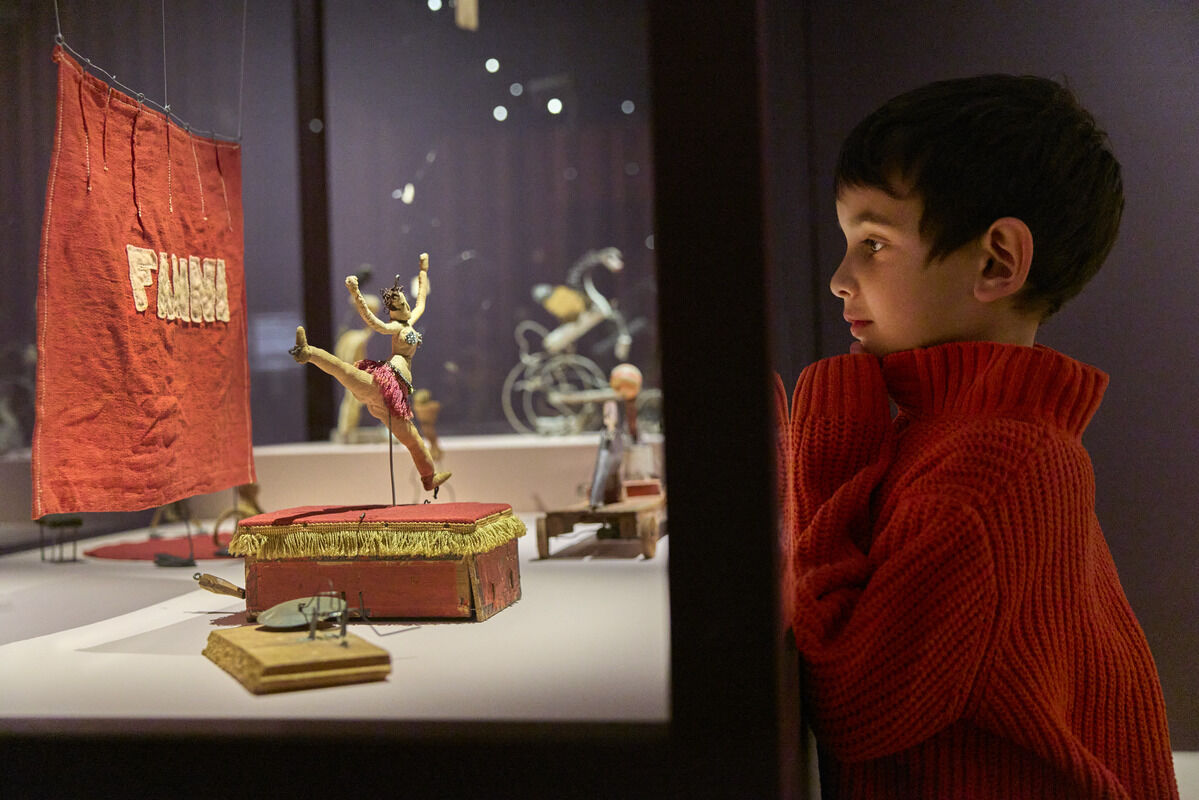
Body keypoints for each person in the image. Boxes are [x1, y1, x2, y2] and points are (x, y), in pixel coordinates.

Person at [778, 75, 1178, 798]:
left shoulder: (997, 465)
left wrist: (830, 453)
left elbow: (852, 704)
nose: (840, 278)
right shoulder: (964, 438)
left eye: (873, 242)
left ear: (995, 261)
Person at [291, 253, 451, 494]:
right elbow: (373, 321)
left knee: (414, 440)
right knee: (344, 370)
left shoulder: (410, 321)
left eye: (404, 304)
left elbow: (421, 302)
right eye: (398, 307)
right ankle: (308, 352)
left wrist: (423, 270)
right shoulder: (395, 326)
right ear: (392, 312)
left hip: (391, 399)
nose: (405, 308)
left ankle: (428, 478)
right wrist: (356, 293)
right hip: (384, 384)